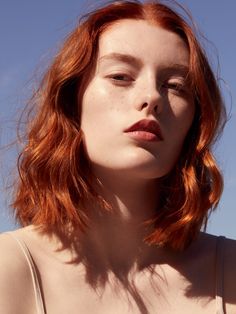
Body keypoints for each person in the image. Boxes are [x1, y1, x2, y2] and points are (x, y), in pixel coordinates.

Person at [0, 0, 235, 313]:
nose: (152, 96)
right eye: (121, 76)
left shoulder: (229, 272)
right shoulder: (10, 270)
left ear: (195, 122)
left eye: (175, 85)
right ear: (72, 101)